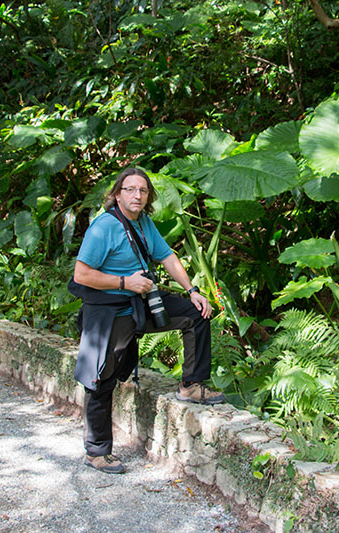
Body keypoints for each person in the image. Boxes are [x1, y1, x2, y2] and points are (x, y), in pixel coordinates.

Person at [71, 167, 225, 474]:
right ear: (117, 194)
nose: (137, 195)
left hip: (141, 302)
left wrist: (192, 290)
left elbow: (167, 256)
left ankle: (191, 385)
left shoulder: (144, 223)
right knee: (102, 378)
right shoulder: (104, 227)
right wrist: (125, 283)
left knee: (196, 314)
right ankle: (97, 452)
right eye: (130, 189)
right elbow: (81, 275)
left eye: (142, 190)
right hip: (111, 309)